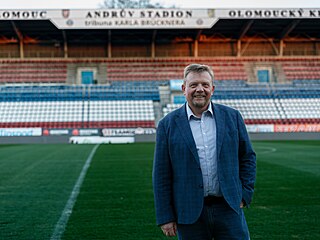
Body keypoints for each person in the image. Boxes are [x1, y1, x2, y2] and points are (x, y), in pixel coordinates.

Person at [152, 63, 256, 240]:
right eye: (193, 85)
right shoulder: (167, 124)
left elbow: (247, 158)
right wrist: (166, 216)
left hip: (228, 208)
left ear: (212, 89)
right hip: (189, 212)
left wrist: (244, 194)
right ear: (184, 89)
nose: (199, 89)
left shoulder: (232, 117)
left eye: (205, 85)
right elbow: (161, 174)